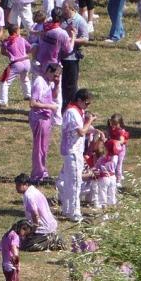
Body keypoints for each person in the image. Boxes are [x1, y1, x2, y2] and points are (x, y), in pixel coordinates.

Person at [57, 88, 94, 224]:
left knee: (69, 182)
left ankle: (67, 209)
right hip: (73, 152)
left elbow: (84, 128)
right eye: (86, 103)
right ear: (79, 100)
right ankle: (75, 212)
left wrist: (95, 129)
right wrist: (89, 121)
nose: (87, 106)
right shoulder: (72, 112)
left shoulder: (77, 111)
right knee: (75, 182)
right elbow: (81, 132)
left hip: (74, 150)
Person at [14, 174, 62, 251]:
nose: (16, 188)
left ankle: (50, 241)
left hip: (43, 228)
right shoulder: (34, 190)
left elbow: (35, 215)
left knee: (25, 246)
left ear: (26, 184)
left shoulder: (28, 196)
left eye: (18, 185)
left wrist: (33, 230)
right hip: (50, 225)